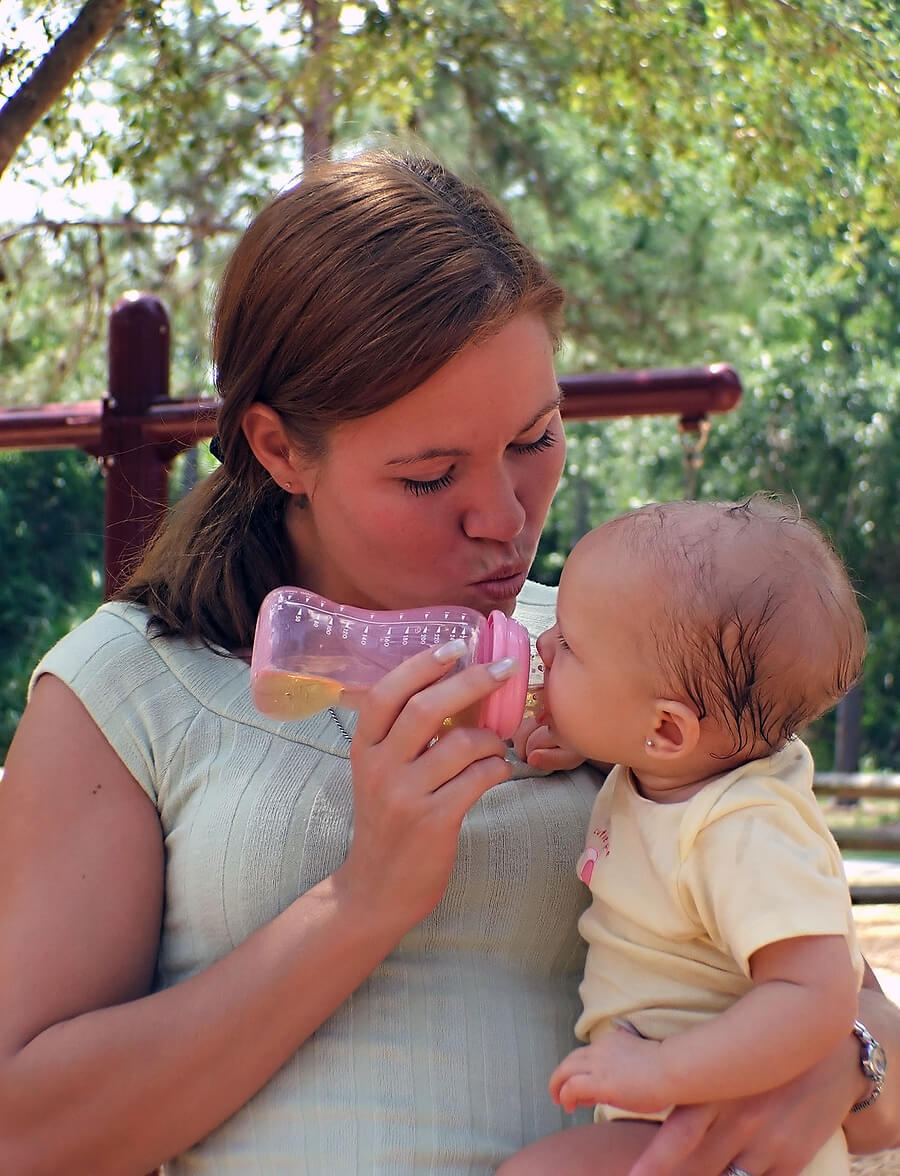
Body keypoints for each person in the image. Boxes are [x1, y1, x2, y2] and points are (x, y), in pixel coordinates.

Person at [0, 152, 897, 1176]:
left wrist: (852, 1065)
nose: (505, 520)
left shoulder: (636, 662)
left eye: (537, 439)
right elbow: (26, 1136)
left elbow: (840, 998)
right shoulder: (130, 688)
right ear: (281, 449)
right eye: (429, 477)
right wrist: (367, 896)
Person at [498, 496, 887, 1176]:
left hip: (720, 1130)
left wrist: (661, 1069)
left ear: (668, 731)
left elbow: (819, 995)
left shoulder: (744, 830)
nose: (542, 645)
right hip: (677, 1118)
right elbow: (638, 736)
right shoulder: (677, 770)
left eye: (569, 646)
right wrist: (589, 734)